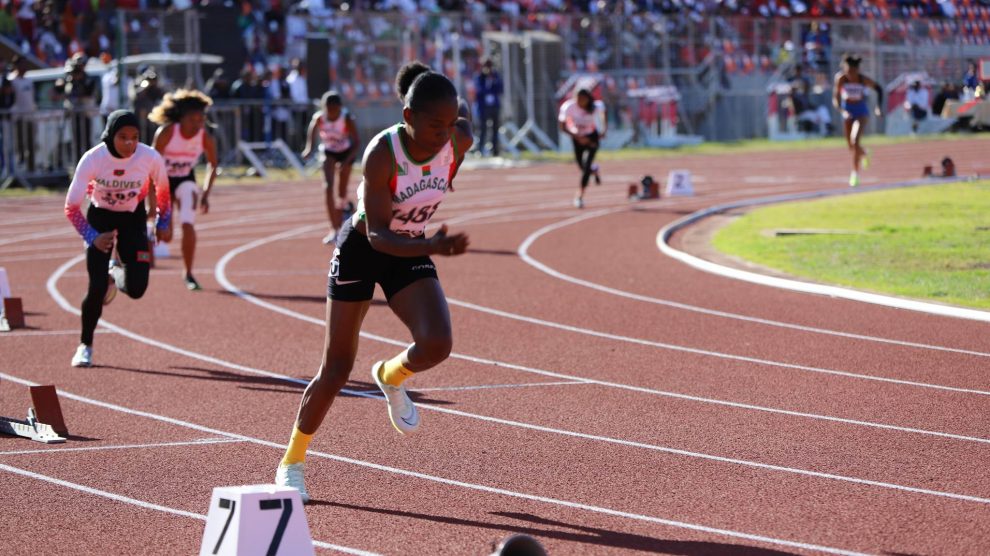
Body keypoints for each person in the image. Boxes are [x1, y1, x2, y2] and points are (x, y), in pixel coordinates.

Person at [274, 70, 473, 503]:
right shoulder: (383, 152)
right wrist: (437, 244)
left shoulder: (458, 140)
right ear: (408, 117)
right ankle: (292, 462)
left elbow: (464, 129)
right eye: (434, 126)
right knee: (337, 366)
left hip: (412, 247)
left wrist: (431, 234)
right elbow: (380, 234)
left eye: (450, 123)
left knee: (437, 343)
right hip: (365, 248)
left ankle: (389, 374)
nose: (444, 135)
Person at [64, 110, 172, 367]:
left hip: (132, 219)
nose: (130, 144)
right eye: (123, 137)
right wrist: (92, 236)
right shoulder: (93, 159)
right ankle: (85, 346)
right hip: (100, 219)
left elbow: (164, 191)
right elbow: (71, 207)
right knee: (96, 287)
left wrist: (162, 221)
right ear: (110, 136)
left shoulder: (149, 157)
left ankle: (116, 272)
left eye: (135, 137)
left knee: (137, 289)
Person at [150, 89, 219, 291]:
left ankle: (188, 273)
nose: (197, 124)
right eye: (192, 120)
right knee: (166, 235)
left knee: (188, 225)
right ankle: (148, 233)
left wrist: (205, 194)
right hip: (162, 181)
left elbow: (213, 164)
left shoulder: (204, 137)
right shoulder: (167, 132)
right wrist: (151, 204)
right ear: (181, 118)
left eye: (201, 120)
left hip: (185, 180)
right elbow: (151, 167)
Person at [302, 91, 360, 245]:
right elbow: (312, 130)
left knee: (341, 192)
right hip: (328, 152)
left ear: (340, 108)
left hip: (346, 152)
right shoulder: (320, 118)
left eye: (334, 110)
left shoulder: (346, 118)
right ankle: (334, 228)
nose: (332, 113)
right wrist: (308, 148)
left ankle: (343, 218)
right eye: (329, 110)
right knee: (328, 188)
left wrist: (346, 161)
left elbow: (357, 142)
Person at [833, 54, 882, 187]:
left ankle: (854, 175)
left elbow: (879, 89)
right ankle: (865, 153)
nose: (851, 75)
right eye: (848, 72)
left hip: (861, 112)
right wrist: (842, 111)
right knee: (851, 146)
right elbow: (836, 98)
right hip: (848, 112)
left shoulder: (863, 79)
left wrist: (878, 107)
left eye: (853, 72)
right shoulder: (841, 79)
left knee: (855, 141)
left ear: (857, 70)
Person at [558, 88, 606, 208]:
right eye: (578, 99)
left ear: (588, 99)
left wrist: (603, 130)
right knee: (581, 165)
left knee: (586, 168)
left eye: (583, 100)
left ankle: (579, 196)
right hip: (577, 137)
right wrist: (577, 137)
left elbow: (603, 115)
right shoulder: (568, 107)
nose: (581, 102)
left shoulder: (595, 106)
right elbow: (562, 126)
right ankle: (594, 169)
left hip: (591, 137)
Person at [474, 57, 503, 156]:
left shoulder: (496, 76)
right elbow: (479, 91)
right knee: (483, 128)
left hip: (494, 106)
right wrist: (487, 85)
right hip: (484, 107)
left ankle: (495, 150)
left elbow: (500, 89)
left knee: (495, 129)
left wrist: (493, 81)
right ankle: (480, 149)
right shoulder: (480, 77)